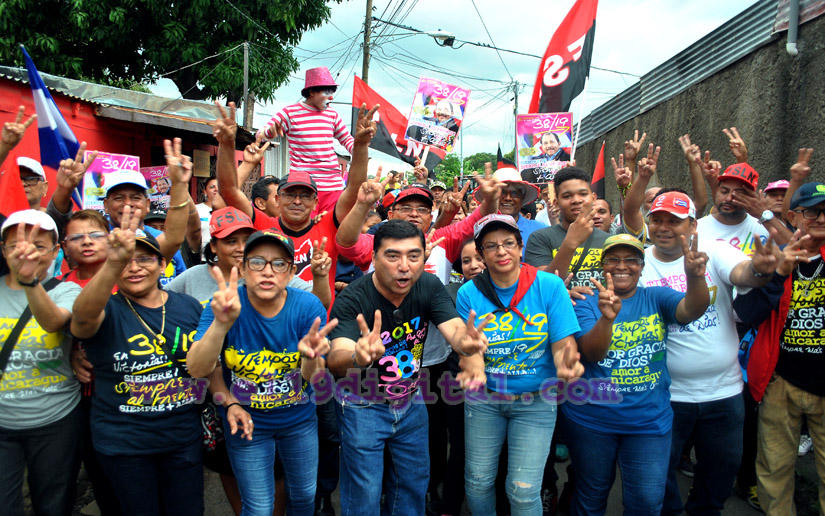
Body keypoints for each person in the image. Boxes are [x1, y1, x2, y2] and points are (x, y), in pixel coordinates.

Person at [626, 190, 780, 516]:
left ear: (693, 226)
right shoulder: (636, 265)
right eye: (657, 219)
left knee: (719, 473)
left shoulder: (715, 250)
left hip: (724, 392)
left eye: (674, 221)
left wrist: (761, 270)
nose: (664, 227)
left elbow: (742, 273)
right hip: (665, 396)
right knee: (659, 474)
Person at [326, 220, 489, 516]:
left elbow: (454, 330)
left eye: (414, 256)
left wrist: (468, 343)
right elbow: (337, 357)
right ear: (374, 258)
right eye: (392, 256)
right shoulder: (353, 298)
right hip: (362, 404)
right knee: (365, 493)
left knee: (413, 484)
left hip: (411, 399)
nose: (405, 266)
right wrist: (357, 356)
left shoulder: (427, 285)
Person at [187, 229, 334, 516]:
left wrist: (310, 356)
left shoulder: (307, 306)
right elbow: (199, 368)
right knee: (259, 508)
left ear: (291, 271)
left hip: (298, 419)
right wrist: (220, 325)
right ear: (242, 267)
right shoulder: (224, 304)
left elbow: (314, 378)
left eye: (279, 263)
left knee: (305, 496)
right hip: (247, 423)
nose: (268, 272)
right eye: (257, 262)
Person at [70, 207, 204, 516]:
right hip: (125, 445)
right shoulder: (107, 308)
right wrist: (113, 260)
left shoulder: (189, 307)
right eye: (125, 261)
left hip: (182, 439)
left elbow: (207, 364)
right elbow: (82, 319)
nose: (134, 268)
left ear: (163, 264)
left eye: (144, 259)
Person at [564, 233, 710, 515]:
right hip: (591, 420)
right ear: (602, 265)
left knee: (646, 501)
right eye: (614, 260)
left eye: (631, 260)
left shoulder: (655, 296)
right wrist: (607, 318)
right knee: (591, 496)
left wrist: (695, 277)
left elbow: (691, 309)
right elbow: (592, 353)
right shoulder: (585, 300)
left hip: (648, 421)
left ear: (642, 267)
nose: (622, 266)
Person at [456, 214, 583, 515]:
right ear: (481, 254)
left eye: (508, 243)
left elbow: (564, 341)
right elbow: (470, 347)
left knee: (523, 492)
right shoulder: (468, 293)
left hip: (536, 401)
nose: (501, 251)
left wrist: (567, 363)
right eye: (491, 246)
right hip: (484, 399)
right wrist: (472, 365)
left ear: (520, 246)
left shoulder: (549, 285)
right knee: (477, 481)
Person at [217, 102, 378, 300]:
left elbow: (354, 187)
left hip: (319, 326)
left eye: (305, 195)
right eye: (290, 194)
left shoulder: (329, 225)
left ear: (315, 201)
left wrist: (360, 145)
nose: (297, 201)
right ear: (277, 199)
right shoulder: (263, 226)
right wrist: (226, 145)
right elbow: (228, 191)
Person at [739, 182, 825, 515]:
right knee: (774, 471)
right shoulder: (772, 258)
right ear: (793, 216)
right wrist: (777, 274)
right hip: (779, 381)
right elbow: (746, 314)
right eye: (812, 211)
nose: (820, 218)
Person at [0, 210, 83, 516]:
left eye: (39, 245)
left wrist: (29, 282)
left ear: (56, 251)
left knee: (54, 506)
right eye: (16, 245)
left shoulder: (66, 289)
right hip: (2, 423)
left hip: (56, 421)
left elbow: (52, 322)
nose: (26, 252)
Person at [256, 67, 356, 213]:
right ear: (311, 92)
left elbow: (347, 139)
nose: (331, 98)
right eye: (326, 93)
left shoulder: (332, 114)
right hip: (303, 187)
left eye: (332, 93)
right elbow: (261, 134)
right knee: (304, 230)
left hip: (333, 187)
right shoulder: (290, 113)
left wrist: (361, 147)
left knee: (331, 231)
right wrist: (270, 132)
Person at [525, 167, 609, 289]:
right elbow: (543, 288)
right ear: (556, 202)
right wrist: (570, 243)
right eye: (567, 196)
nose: (576, 200)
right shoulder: (539, 238)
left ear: (594, 198)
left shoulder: (609, 240)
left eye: (583, 194)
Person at [697, 162, 791, 254]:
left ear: (751, 196)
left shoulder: (766, 226)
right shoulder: (696, 228)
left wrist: (763, 214)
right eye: (724, 191)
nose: (729, 198)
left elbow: (795, 252)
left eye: (738, 193)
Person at [472, 165, 545, 258]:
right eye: (502, 192)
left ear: (522, 198)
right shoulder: (476, 230)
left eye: (515, 193)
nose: (508, 198)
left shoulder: (540, 231)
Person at [197, 177, 221, 246]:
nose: (216, 189)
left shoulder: (228, 211)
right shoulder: (197, 210)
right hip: (201, 255)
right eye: (212, 187)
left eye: (218, 187)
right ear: (205, 191)